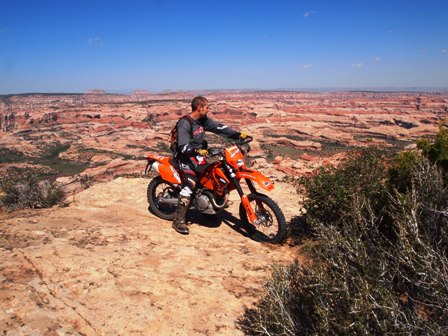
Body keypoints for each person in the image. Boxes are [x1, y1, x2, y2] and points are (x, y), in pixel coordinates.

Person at [172, 96, 248, 234]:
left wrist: (237, 135)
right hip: (185, 159)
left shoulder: (203, 120)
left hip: (200, 156)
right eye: (207, 107)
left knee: (215, 177)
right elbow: (182, 147)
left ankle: (207, 211)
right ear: (199, 108)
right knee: (190, 185)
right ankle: (178, 220)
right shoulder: (185, 123)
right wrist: (196, 150)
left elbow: (219, 128)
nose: (209, 109)